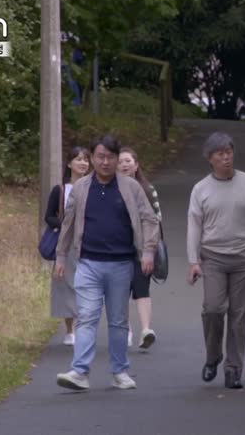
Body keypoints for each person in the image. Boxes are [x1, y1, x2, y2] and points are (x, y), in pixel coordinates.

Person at [54, 134, 160, 391]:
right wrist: (61, 256)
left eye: (110, 157)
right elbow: (68, 223)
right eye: (100, 157)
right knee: (86, 317)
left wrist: (148, 251)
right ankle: (80, 372)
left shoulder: (131, 187)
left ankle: (119, 371)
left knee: (118, 321)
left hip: (121, 265)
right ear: (92, 158)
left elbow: (149, 219)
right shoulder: (81, 188)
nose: (105, 162)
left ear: (116, 158)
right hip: (88, 263)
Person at [187, 132, 245, 389]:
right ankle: (213, 356)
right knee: (212, 309)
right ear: (210, 158)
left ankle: (234, 369)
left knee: (238, 315)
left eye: (229, 152)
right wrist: (193, 260)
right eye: (220, 154)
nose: (226, 157)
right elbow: (194, 225)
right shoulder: (200, 189)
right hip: (213, 257)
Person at [45, 146, 90, 346]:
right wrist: (64, 225)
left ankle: (83, 326)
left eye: (86, 159)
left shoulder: (94, 187)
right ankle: (70, 330)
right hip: (66, 245)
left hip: (89, 243)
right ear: (70, 163)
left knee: (86, 285)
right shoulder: (61, 190)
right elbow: (49, 216)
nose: (83, 163)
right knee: (65, 285)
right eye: (78, 159)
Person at [118, 147, 162, 349]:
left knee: (142, 288)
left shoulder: (148, 189)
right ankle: (126, 330)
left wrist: (150, 250)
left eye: (128, 161)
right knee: (120, 291)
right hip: (117, 248)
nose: (124, 165)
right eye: (120, 162)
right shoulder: (111, 189)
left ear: (136, 165)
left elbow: (156, 220)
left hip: (142, 249)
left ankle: (145, 330)